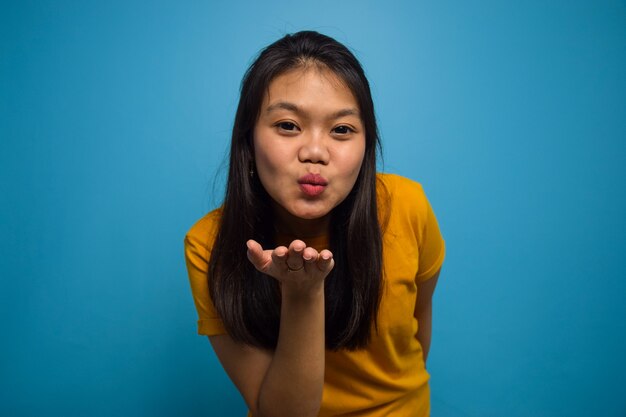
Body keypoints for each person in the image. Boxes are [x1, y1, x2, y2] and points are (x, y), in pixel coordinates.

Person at [184, 30, 446, 417]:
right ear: (248, 139)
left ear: (366, 146)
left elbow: (418, 327)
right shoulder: (209, 245)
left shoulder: (407, 206)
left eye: (342, 130)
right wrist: (303, 293)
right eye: (288, 125)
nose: (315, 152)